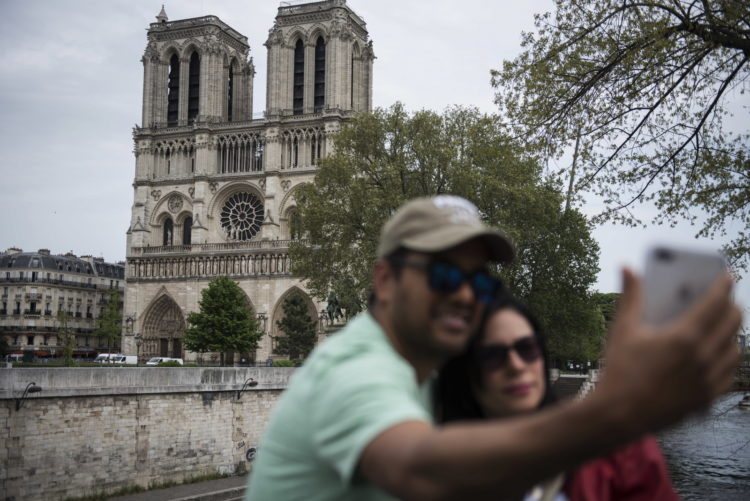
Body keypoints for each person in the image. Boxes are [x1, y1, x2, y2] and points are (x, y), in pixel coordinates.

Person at [246, 195, 741, 501]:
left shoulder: (420, 373)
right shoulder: (354, 367)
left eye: (478, 281)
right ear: (386, 280)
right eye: (443, 275)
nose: (464, 294)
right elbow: (421, 469)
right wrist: (621, 411)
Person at [435, 293, 680, 501]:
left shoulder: (621, 450)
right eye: (492, 356)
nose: (516, 365)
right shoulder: (435, 464)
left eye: (527, 348)